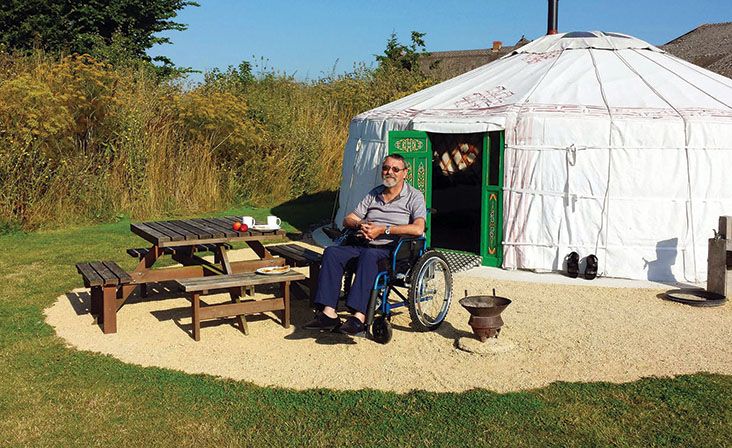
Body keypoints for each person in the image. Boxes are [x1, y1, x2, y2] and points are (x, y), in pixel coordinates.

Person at [304, 154, 427, 335]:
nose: (389, 172)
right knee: (332, 252)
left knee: (369, 257)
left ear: (405, 173)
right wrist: (361, 225)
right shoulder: (374, 193)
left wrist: (383, 230)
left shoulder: (414, 196)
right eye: (385, 168)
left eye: (395, 169)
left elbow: (418, 229)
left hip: (392, 250)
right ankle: (328, 313)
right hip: (365, 244)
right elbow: (348, 219)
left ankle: (358, 317)